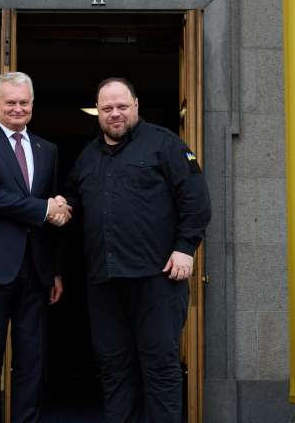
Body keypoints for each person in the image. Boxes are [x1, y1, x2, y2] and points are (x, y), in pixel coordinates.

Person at [60, 77, 211, 423]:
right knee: (115, 371)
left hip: (157, 280)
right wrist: (61, 205)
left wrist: (185, 248)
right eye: (107, 108)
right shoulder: (87, 157)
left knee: (160, 369)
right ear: (98, 111)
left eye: (122, 106)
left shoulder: (165, 144)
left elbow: (197, 200)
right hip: (105, 284)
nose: (115, 113)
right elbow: (72, 199)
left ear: (136, 106)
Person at [0, 71, 72, 423]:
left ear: (33, 104)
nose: (18, 108)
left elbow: (51, 213)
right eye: (10, 102)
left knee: (32, 361)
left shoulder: (47, 150)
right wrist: (45, 209)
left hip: (36, 271)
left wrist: (55, 269)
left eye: (24, 102)